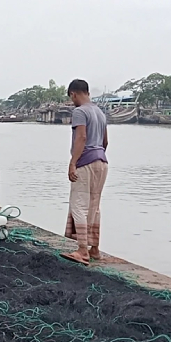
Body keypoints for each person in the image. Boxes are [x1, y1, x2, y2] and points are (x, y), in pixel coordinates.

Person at [61, 79, 109, 265]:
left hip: (85, 161)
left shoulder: (79, 112)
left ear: (73, 94)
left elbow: (81, 137)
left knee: (79, 204)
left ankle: (82, 250)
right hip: (101, 160)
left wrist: (73, 162)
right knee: (94, 205)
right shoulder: (100, 112)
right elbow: (105, 141)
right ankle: (94, 248)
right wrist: (98, 155)